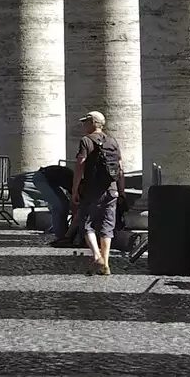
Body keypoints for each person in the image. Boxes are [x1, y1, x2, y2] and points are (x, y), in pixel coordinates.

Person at [71, 111, 123, 276]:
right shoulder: (113, 141)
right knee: (108, 226)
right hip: (111, 189)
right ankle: (105, 263)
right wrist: (121, 191)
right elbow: (121, 168)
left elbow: (80, 165)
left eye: (85, 122)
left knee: (87, 223)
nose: (83, 125)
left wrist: (75, 189)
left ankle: (97, 256)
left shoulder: (86, 141)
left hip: (92, 190)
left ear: (93, 122)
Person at [29, 162, 76, 244]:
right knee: (59, 205)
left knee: (63, 204)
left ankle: (63, 234)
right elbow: (74, 202)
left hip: (45, 176)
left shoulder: (73, 180)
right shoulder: (73, 183)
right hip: (42, 178)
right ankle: (61, 236)